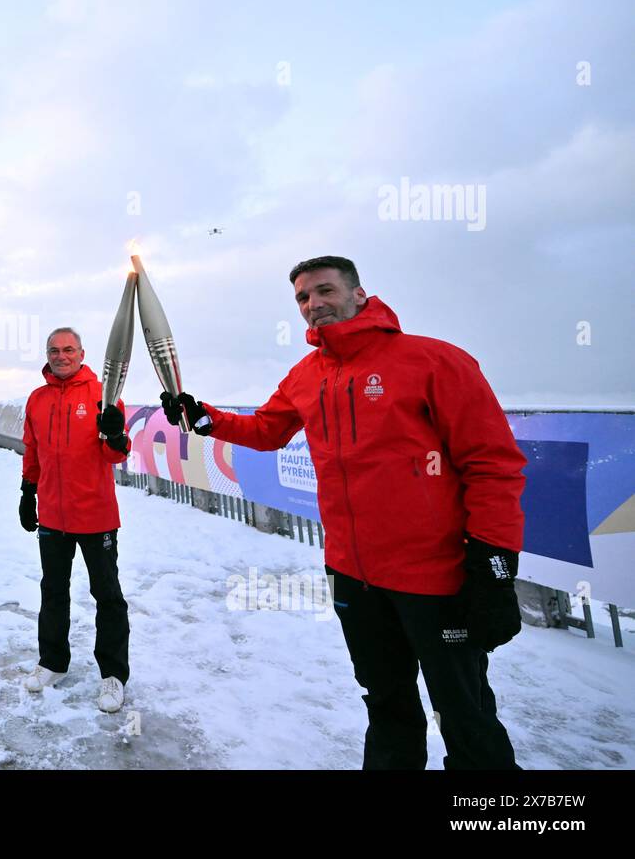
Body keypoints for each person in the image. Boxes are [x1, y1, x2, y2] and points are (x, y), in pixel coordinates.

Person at [161, 256, 526, 769]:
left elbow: (494, 465)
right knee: (386, 704)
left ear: (358, 293)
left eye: (324, 291)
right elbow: (267, 430)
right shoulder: (307, 375)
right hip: (353, 576)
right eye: (303, 299)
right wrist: (207, 419)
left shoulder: (435, 361)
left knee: (466, 715)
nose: (313, 305)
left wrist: (493, 567)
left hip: (435, 578)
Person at [20, 327, 133, 713]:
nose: (61, 355)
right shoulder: (36, 399)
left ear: (82, 353)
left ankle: (113, 675)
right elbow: (31, 450)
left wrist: (117, 438)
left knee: (108, 597)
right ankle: (53, 662)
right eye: (54, 350)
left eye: (68, 349)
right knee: (53, 591)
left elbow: (116, 455)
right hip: (52, 514)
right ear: (47, 354)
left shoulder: (103, 394)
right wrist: (27, 492)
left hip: (96, 514)